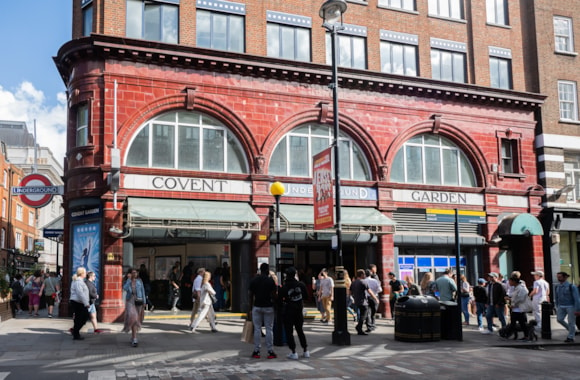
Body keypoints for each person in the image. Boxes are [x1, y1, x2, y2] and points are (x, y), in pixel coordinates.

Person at [248, 263, 278, 359]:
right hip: (268, 306)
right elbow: (274, 295)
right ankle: (270, 351)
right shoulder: (270, 281)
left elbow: (250, 295)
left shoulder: (254, 280)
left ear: (260, 270)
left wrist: (250, 308)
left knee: (257, 329)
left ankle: (256, 351)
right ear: (268, 270)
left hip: (257, 306)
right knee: (269, 329)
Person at [280, 267, 309, 360]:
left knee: (289, 332)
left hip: (289, 311)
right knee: (300, 330)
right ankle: (305, 350)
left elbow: (280, 298)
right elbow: (306, 296)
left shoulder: (285, 286)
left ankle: (293, 351)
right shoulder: (301, 284)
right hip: (299, 310)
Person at [122, 267, 146, 347]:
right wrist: (128, 280)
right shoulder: (127, 281)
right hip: (130, 301)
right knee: (134, 317)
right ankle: (135, 338)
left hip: (138, 301)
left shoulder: (139, 281)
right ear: (130, 273)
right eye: (133, 272)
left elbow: (143, 291)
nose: (134, 274)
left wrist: (144, 302)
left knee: (136, 320)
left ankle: (133, 336)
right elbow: (124, 288)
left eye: (136, 272)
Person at [554, 271, 580, 343]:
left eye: (560, 277)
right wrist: (557, 306)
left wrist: (577, 309)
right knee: (559, 319)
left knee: (571, 322)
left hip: (571, 306)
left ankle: (571, 337)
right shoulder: (557, 286)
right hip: (561, 306)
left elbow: (576, 298)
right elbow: (557, 297)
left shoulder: (572, 286)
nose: (558, 278)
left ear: (565, 277)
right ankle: (572, 330)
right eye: (558, 277)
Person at [350, 269, 378, 335]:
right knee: (364, 315)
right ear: (362, 275)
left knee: (362, 314)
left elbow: (350, 292)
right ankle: (359, 327)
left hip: (357, 300)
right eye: (364, 274)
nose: (365, 275)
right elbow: (369, 291)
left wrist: (352, 298)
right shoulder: (363, 282)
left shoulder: (354, 282)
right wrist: (375, 298)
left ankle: (359, 328)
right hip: (363, 301)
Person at [505, 275, 530, 341]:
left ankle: (527, 336)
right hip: (515, 309)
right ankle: (509, 334)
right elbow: (515, 297)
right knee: (513, 323)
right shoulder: (516, 288)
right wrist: (510, 300)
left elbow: (520, 298)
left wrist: (513, 304)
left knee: (522, 323)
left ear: (514, 281)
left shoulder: (521, 288)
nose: (509, 283)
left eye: (510, 281)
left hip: (520, 309)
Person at [69, 267, 90, 340]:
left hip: (79, 302)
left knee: (79, 318)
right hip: (78, 302)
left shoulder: (79, 281)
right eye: (85, 272)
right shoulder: (78, 282)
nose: (86, 273)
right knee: (83, 317)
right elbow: (80, 293)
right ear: (82, 273)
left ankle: (76, 332)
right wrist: (86, 303)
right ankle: (75, 331)